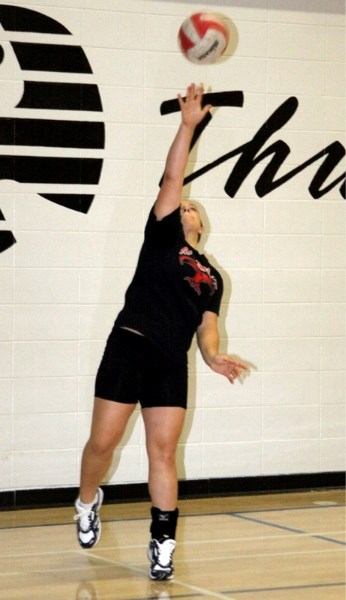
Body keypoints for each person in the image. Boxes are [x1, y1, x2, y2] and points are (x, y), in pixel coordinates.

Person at [74, 83, 248, 581]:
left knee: (163, 452)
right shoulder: (161, 234)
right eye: (182, 204)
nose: (186, 206)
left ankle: (162, 542)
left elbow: (207, 329)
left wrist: (214, 357)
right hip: (129, 344)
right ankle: (88, 500)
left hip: (172, 361)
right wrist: (187, 125)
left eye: (193, 208)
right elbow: (174, 174)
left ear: (202, 226)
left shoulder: (212, 277)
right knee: (102, 444)